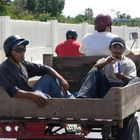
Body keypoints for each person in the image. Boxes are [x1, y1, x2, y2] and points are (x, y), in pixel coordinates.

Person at [0, 35, 74, 108]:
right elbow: (14, 92)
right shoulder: (4, 69)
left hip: (32, 94)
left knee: (49, 77)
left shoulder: (23, 64)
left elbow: (45, 68)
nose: (22, 52)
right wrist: (33, 95)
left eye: (24, 49)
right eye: (18, 49)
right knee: (44, 98)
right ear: (9, 52)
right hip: (24, 102)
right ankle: (66, 106)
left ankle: (72, 102)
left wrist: (61, 79)